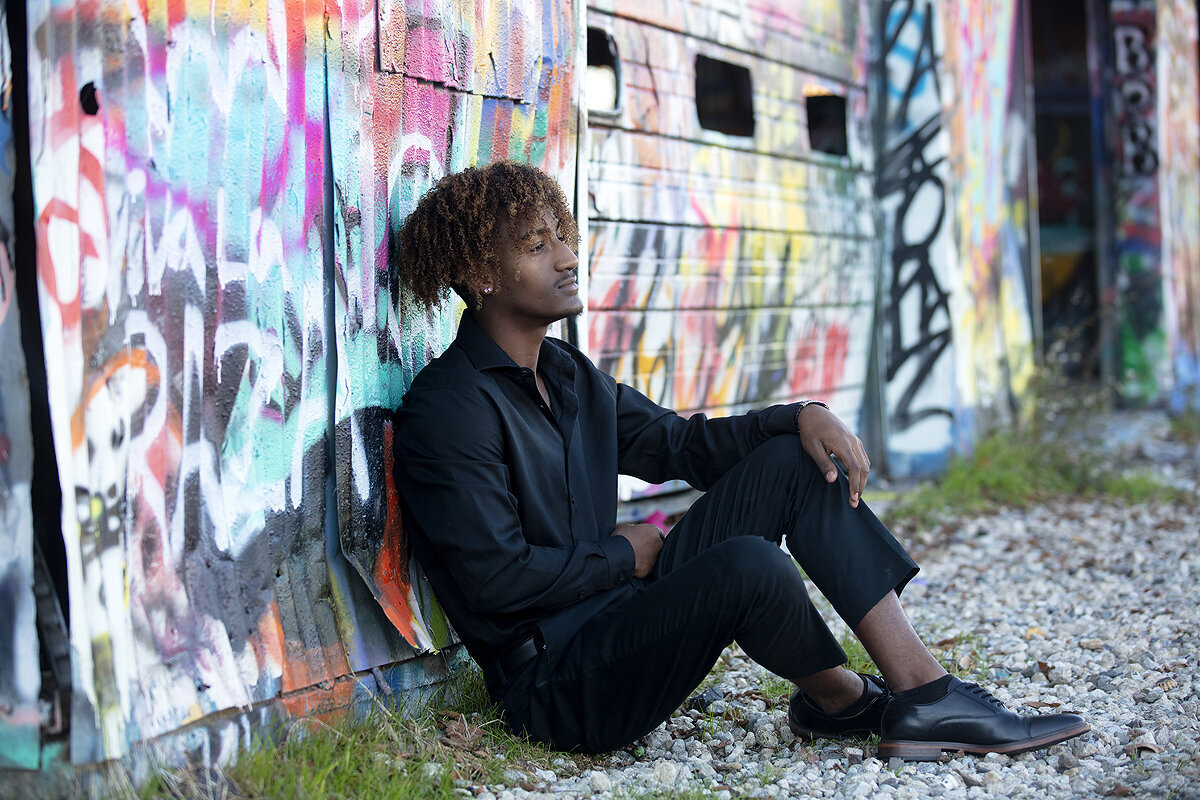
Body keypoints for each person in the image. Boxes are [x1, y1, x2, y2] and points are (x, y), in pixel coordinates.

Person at [390, 161, 1089, 760]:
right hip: (560, 685)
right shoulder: (448, 409)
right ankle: (842, 700)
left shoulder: (569, 376)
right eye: (538, 246)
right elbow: (494, 583)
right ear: (481, 271)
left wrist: (800, 415)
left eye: (563, 236)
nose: (568, 257)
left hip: (627, 614)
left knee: (792, 460)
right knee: (750, 564)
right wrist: (623, 557)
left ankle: (922, 692)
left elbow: (683, 446)